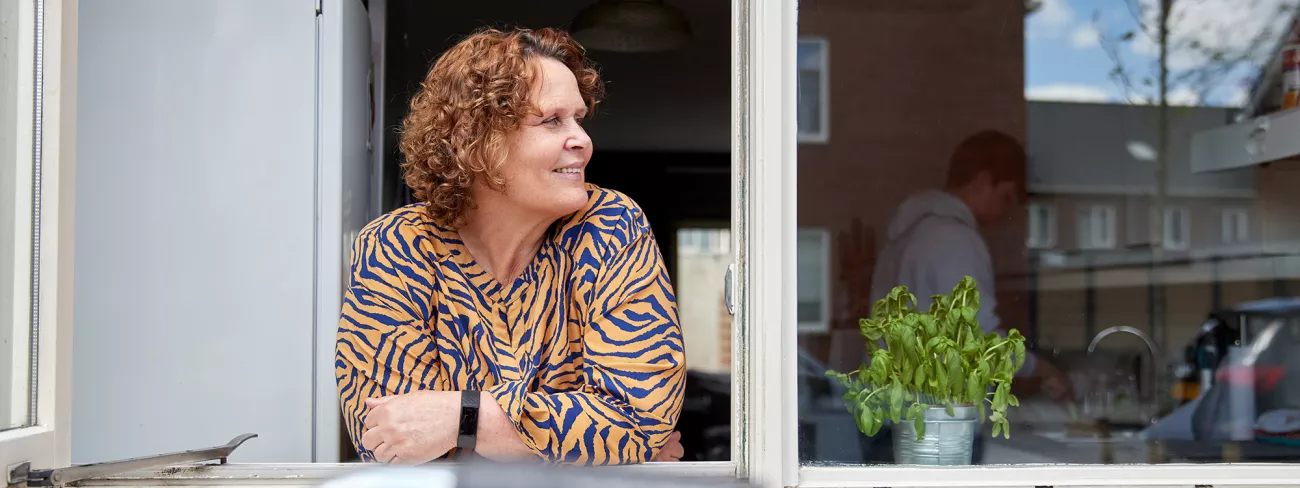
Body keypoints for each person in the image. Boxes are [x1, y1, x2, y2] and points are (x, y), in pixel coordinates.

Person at [335, 27, 686, 465]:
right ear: (478, 140)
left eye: (579, 118)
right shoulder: (395, 248)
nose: (582, 140)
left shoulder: (610, 227)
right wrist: (586, 450)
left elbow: (638, 422)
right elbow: (390, 440)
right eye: (551, 120)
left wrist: (463, 419)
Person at [869, 130, 1073, 401]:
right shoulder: (956, 240)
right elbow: (977, 341)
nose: (1008, 212)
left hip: (895, 410)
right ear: (982, 181)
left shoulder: (906, 234)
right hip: (939, 421)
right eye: (1006, 197)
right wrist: (1041, 368)